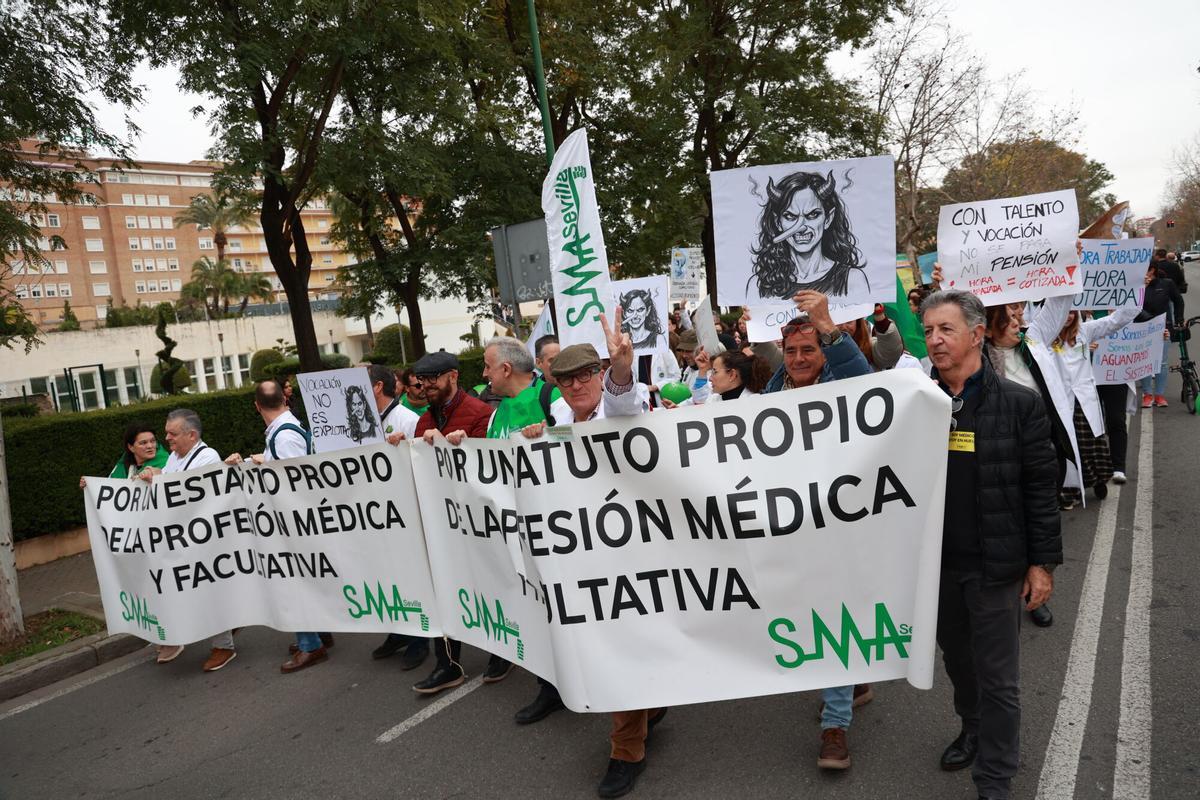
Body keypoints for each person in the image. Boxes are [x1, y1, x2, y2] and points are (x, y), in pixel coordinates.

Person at [920, 290, 1061, 800]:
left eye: (946, 329)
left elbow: (1039, 488)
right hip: (936, 568)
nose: (935, 339)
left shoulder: (1019, 404)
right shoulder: (914, 403)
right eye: (930, 330)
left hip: (995, 567)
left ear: (977, 334)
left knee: (1000, 678)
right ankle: (972, 726)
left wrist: (1041, 564)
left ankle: (996, 776)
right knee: (958, 661)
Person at [518, 311, 664, 798]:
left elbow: (626, 407)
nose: (577, 385)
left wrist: (624, 369)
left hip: (633, 548)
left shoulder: (616, 406)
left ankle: (627, 750)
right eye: (567, 378)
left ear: (600, 375)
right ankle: (653, 702)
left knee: (624, 643)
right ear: (555, 384)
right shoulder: (560, 417)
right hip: (582, 552)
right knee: (611, 643)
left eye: (587, 374)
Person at [757, 290, 873, 772]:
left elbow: (866, 381)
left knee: (834, 613)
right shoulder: (770, 395)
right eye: (792, 351)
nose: (800, 358)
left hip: (843, 523)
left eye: (809, 349)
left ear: (823, 352)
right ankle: (858, 675)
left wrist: (826, 323)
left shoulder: (843, 380)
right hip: (790, 525)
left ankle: (835, 724)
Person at [224, 381, 329, 674]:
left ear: (257, 406)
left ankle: (311, 645)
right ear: (284, 398)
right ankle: (318, 635)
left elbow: (290, 483)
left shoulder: (283, 436)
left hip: (291, 523)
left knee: (292, 583)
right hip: (295, 521)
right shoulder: (285, 430)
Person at [410, 351, 493, 695]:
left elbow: (488, 469)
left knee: (488, 586)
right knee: (442, 592)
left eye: (433, 379)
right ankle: (447, 664)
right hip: (439, 526)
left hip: (476, 525)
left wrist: (459, 446)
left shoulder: (480, 413)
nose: (425, 386)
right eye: (422, 380)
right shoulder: (422, 422)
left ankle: (499, 653)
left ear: (453, 376)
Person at [136, 409, 231, 669]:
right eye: (166, 432)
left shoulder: (207, 457)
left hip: (205, 538)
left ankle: (224, 646)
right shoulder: (176, 458)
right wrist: (151, 478)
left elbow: (190, 495)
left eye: (172, 433)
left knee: (210, 589)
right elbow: (167, 485)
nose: (166, 438)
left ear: (191, 434)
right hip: (184, 537)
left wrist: (160, 480)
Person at [365, 365, 428, 667]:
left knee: (411, 576)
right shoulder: (359, 422)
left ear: (377, 387)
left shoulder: (407, 419)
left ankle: (421, 638)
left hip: (406, 512)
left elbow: (425, 463)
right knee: (385, 575)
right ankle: (399, 630)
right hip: (374, 513)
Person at [1046, 307, 1139, 503]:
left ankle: (1098, 479)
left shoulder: (1084, 332)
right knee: (1068, 446)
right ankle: (1072, 489)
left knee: (1090, 443)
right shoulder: (1046, 336)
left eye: (1072, 312)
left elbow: (1114, 321)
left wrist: (1136, 293)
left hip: (1084, 399)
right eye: (1065, 312)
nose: (1068, 316)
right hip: (1062, 400)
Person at [748, 171, 869, 300]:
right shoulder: (758, 284)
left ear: (828, 219)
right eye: (790, 216)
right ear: (778, 223)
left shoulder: (852, 280)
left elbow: (860, 320)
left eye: (812, 215)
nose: (801, 227)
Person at [1137, 263, 1185, 408]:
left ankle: (1159, 395)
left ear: (1152, 270)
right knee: (1144, 363)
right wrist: (1141, 288)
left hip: (1163, 329)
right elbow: (1131, 305)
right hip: (1142, 328)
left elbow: (1178, 301)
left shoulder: (1166, 284)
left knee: (1162, 363)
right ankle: (1147, 394)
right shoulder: (1136, 285)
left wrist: (1178, 320)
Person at [79, 423, 169, 489]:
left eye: (153, 441)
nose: (150, 446)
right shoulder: (124, 464)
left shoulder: (166, 461)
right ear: (131, 447)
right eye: (143, 443)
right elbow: (109, 487)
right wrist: (90, 485)